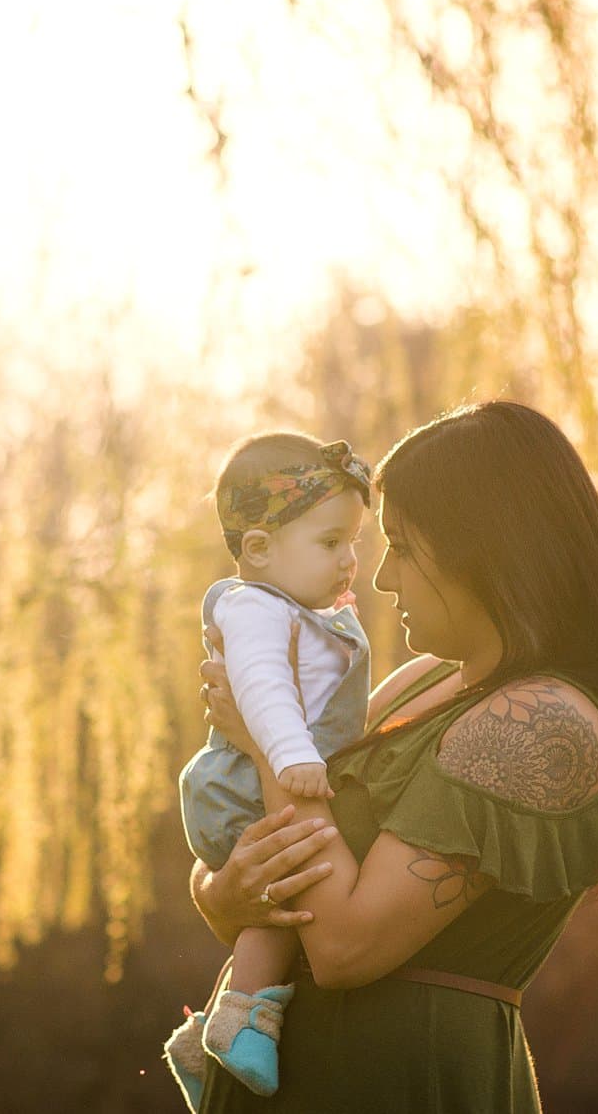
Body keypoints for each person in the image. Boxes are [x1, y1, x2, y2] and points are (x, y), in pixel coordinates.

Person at [187, 401, 598, 1112]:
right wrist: (217, 891)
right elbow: (258, 844)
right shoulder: (417, 685)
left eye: (404, 546)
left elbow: (342, 946)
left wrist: (269, 739)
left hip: (405, 1085)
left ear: (485, 551)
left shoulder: (540, 723)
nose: (384, 577)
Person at [164, 433, 376, 1105]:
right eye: (329, 542)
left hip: (280, 772)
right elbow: (260, 688)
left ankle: (204, 1038)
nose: (349, 560)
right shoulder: (252, 606)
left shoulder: (306, 611)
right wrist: (291, 756)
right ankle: (243, 1019)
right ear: (258, 550)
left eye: (353, 543)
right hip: (245, 781)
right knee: (286, 889)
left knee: (281, 890)